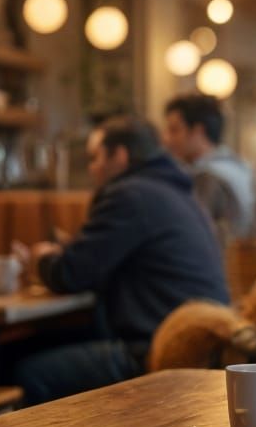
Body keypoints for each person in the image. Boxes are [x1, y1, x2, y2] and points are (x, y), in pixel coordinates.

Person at [13, 115, 229, 406]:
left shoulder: (129, 194)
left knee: (26, 372)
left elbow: (71, 273)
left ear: (121, 155)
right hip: (202, 345)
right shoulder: (178, 191)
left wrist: (40, 260)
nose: (91, 169)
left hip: (158, 348)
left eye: (95, 158)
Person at [163, 93, 256, 240]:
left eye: (174, 130)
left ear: (198, 131)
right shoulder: (240, 166)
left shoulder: (206, 176)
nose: (166, 139)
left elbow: (192, 235)